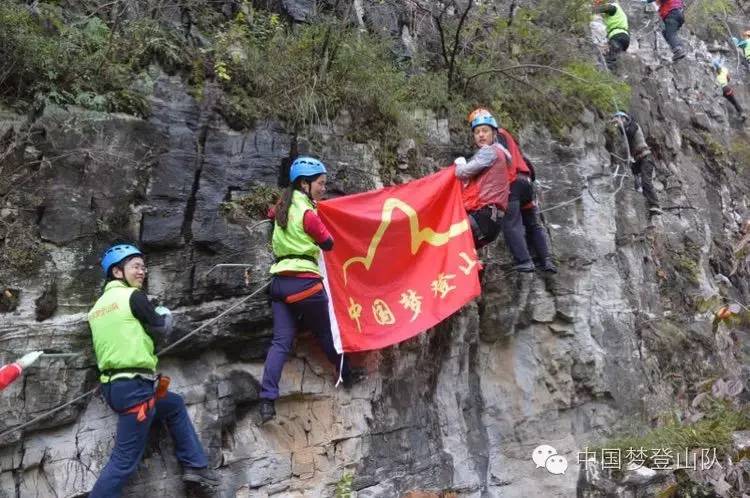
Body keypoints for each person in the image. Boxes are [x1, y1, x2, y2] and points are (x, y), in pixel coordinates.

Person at [88, 243, 218, 497]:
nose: (142, 272)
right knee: (123, 461)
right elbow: (161, 327)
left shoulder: (97, 309)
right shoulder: (133, 297)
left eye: (143, 267)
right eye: (136, 266)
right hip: (136, 387)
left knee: (173, 404)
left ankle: (195, 467)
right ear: (117, 272)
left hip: (115, 388)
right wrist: (163, 311)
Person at [259, 157, 364, 424]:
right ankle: (347, 375)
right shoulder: (308, 214)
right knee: (327, 333)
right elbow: (327, 243)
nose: (323, 188)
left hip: (279, 284)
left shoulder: (282, 206)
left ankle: (267, 400)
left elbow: (270, 214)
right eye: (320, 183)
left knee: (280, 342)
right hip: (306, 284)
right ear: (304, 184)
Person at [457, 109, 557, 273]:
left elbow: (492, 161)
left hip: (512, 182)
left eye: (484, 130)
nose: (481, 134)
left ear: (492, 130)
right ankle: (545, 260)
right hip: (526, 180)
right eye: (477, 131)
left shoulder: (498, 140)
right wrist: (530, 180)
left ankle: (524, 261)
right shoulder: (508, 138)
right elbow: (525, 161)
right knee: (532, 223)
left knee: (511, 223)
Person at [611, 111, 663, 215]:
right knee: (635, 180)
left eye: (620, 118)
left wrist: (620, 125)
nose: (619, 121)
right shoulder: (624, 129)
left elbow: (629, 133)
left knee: (646, 181)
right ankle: (644, 199)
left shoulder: (633, 125)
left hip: (646, 157)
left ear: (625, 119)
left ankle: (655, 205)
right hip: (638, 159)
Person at [593, 0, 630, 70]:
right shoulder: (620, 12)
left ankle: (605, 76)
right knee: (613, 58)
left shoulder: (613, 7)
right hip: (625, 38)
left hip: (617, 36)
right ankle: (612, 74)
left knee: (609, 60)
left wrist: (594, 6)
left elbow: (601, 9)